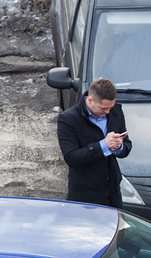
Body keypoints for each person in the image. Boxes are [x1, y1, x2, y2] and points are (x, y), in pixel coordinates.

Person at [57, 77, 133, 207]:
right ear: (90, 100)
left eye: (110, 107)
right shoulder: (69, 119)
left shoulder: (115, 112)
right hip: (84, 195)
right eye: (103, 108)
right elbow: (71, 157)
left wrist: (119, 146)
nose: (108, 112)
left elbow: (126, 146)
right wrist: (103, 146)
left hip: (112, 191)